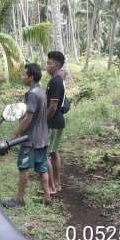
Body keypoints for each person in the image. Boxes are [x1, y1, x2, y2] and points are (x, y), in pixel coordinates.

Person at [4, 63, 51, 208]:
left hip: (30, 140)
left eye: (24, 74)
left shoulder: (32, 94)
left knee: (24, 168)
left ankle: (19, 199)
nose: (22, 77)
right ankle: (47, 198)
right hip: (43, 138)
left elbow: (28, 118)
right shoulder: (41, 91)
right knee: (42, 168)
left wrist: (15, 135)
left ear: (31, 77)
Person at [46, 51, 66, 194]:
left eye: (49, 63)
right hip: (57, 121)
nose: (47, 66)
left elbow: (53, 106)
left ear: (57, 65)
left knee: (45, 153)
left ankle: (52, 187)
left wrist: (43, 120)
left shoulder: (55, 81)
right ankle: (57, 184)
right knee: (53, 153)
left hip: (53, 122)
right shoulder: (58, 80)